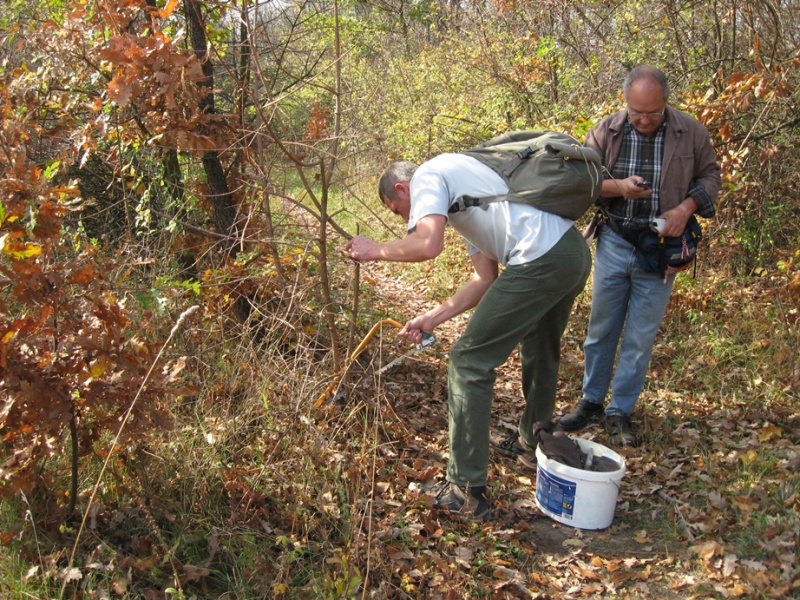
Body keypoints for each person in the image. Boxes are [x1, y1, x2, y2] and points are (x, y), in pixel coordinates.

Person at [345, 152, 591, 521]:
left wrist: (376, 250)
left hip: (543, 258)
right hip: (571, 254)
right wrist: (433, 317)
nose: (405, 219)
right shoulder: (465, 195)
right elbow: (484, 279)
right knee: (539, 345)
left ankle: (465, 490)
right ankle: (532, 442)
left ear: (402, 188)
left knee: (468, 361)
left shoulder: (429, 175)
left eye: (398, 211)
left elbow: (427, 244)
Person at [558, 65, 721, 447]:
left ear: (666, 102)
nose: (645, 120)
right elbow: (579, 180)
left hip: (661, 248)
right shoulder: (606, 131)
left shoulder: (690, 131)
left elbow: (711, 178)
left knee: (640, 335)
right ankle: (592, 401)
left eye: (653, 112)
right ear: (625, 103)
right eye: (637, 112)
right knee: (601, 329)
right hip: (614, 238)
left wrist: (684, 210)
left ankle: (621, 411)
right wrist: (617, 188)